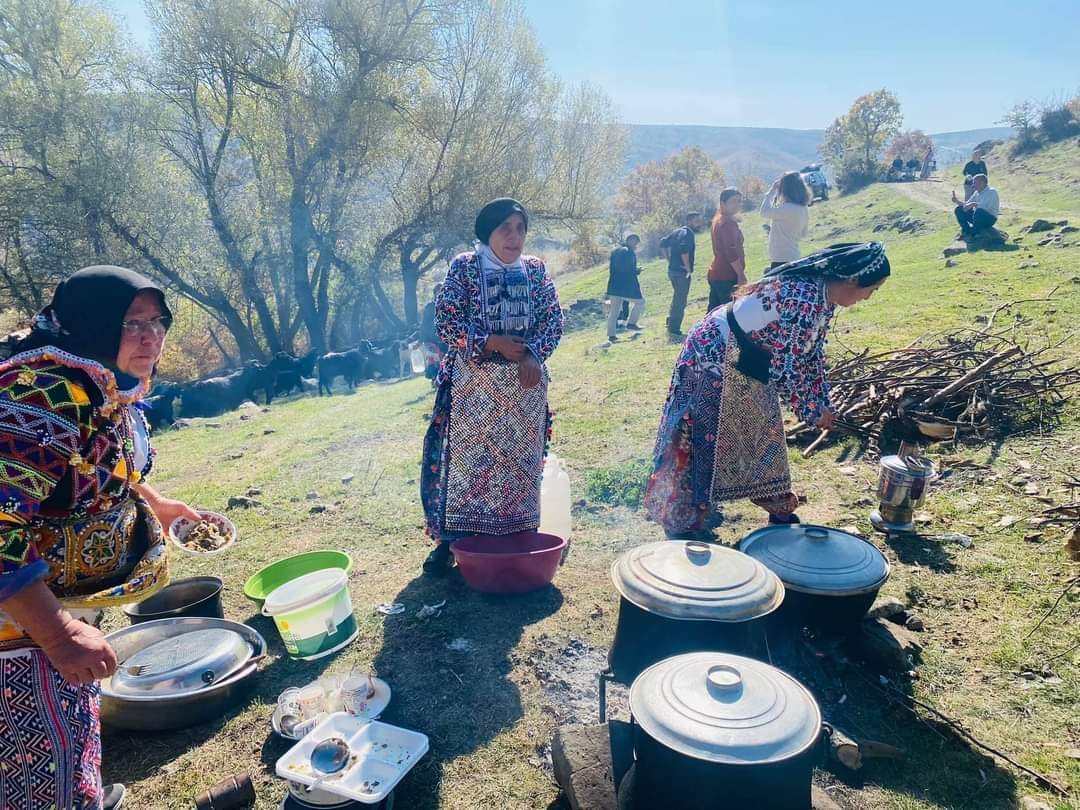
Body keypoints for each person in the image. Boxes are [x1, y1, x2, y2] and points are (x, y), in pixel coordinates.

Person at [0, 265, 198, 810]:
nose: (151, 336)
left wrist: (156, 503)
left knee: (67, 739)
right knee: (36, 772)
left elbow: (89, 470)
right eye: (132, 322)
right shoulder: (40, 396)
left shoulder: (95, 383)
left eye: (158, 322)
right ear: (93, 322)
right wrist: (60, 633)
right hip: (18, 633)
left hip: (56, 609)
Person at [644, 243, 891, 538]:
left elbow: (811, 356)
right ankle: (682, 521)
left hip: (747, 357)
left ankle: (777, 507)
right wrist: (811, 411)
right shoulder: (804, 297)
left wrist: (822, 401)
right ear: (852, 280)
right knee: (702, 434)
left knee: (763, 429)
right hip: (712, 351)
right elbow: (787, 370)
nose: (868, 297)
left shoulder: (823, 299)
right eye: (871, 289)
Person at [420, 199, 564, 573]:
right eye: (505, 228)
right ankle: (451, 542)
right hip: (471, 391)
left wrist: (533, 354)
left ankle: (517, 538)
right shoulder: (465, 267)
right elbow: (446, 322)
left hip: (523, 392)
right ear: (487, 233)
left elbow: (553, 320)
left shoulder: (535, 270)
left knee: (518, 465)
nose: (514, 237)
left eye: (520, 228)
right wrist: (492, 342)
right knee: (465, 466)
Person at [660, 212, 703, 337]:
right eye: (696, 221)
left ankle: (670, 321)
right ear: (689, 221)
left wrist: (669, 260)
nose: (699, 224)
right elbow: (684, 251)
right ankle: (674, 329)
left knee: (677, 297)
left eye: (699, 221)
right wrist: (688, 268)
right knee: (680, 300)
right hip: (681, 272)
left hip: (672, 271)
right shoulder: (687, 234)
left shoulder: (676, 231)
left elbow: (663, 243)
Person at [759, 172, 810, 268]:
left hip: (781, 258)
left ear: (786, 190)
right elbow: (803, 233)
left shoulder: (786, 208)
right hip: (794, 255)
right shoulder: (804, 208)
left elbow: (763, 212)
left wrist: (771, 191)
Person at [707, 188, 746, 312]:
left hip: (717, 274)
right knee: (732, 313)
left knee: (713, 313)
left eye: (739, 201)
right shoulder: (727, 222)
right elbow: (731, 252)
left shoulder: (718, 218)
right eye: (733, 201)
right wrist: (740, 274)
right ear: (722, 203)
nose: (737, 204)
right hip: (727, 276)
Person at [606, 234, 644, 342]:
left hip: (613, 285)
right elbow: (628, 270)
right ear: (630, 241)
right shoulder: (628, 252)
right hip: (625, 286)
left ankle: (611, 336)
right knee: (640, 302)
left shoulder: (615, 251)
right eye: (635, 242)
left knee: (614, 311)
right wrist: (636, 271)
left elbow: (617, 268)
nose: (636, 245)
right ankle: (631, 323)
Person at [952, 173, 1000, 239]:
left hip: (989, 219)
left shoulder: (991, 192)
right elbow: (967, 204)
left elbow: (984, 208)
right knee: (959, 209)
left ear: (982, 182)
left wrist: (973, 204)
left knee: (979, 211)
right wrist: (957, 201)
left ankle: (975, 233)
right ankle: (966, 231)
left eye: (975, 183)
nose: (973, 185)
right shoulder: (976, 193)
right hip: (977, 217)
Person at [419, 282, 448, 380]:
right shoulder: (430, 307)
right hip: (433, 339)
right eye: (439, 291)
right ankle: (435, 379)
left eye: (443, 291)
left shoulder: (448, 304)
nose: (441, 293)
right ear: (435, 293)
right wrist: (423, 339)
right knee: (435, 362)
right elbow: (425, 324)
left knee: (447, 361)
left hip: (447, 339)